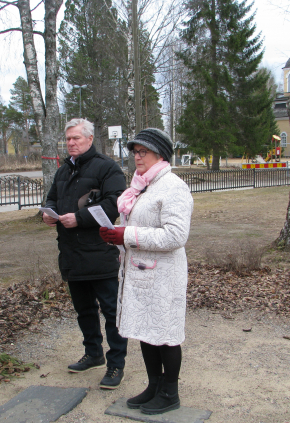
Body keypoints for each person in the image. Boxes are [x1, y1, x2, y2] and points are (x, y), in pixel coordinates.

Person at [99, 128, 193, 414]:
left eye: (144, 152)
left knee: (165, 333)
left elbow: (176, 237)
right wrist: (116, 236)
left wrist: (127, 235)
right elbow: (137, 226)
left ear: (160, 154)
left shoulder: (173, 187)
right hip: (139, 272)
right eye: (135, 152)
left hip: (164, 275)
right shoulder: (141, 186)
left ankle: (169, 393)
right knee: (145, 330)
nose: (137, 157)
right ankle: (154, 386)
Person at [42, 118, 128, 389]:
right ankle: (93, 354)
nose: (70, 143)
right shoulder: (63, 170)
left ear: (89, 139)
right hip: (71, 254)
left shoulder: (107, 167)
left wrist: (79, 218)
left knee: (112, 312)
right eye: (67, 139)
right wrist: (47, 212)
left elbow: (115, 202)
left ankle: (116, 364)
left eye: (76, 138)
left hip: (100, 252)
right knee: (83, 310)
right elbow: (52, 197)